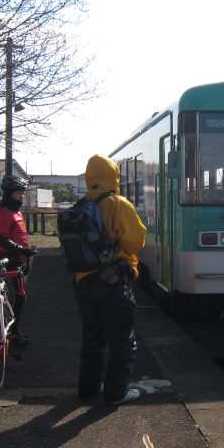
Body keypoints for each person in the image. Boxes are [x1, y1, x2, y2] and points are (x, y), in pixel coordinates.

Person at [74, 154, 146, 405]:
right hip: (112, 279)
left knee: (93, 336)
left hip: (83, 281)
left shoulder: (81, 204)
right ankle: (117, 392)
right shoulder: (118, 204)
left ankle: (89, 387)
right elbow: (135, 241)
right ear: (113, 176)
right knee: (121, 337)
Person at [0, 174, 38, 347]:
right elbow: (3, 239)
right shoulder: (5, 212)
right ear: (9, 193)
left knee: (17, 297)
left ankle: (12, 330)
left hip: (19, 258)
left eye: (23, 192)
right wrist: (22, 250)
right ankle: (13, 333)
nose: (22, 196)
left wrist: (26, 251)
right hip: (10, 260)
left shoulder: (15, 211)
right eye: (18, 193)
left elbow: (16, 235)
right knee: (19, 297)